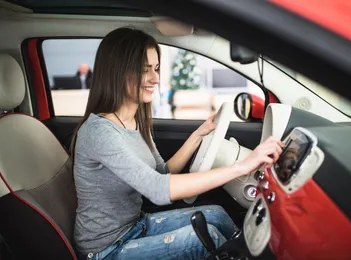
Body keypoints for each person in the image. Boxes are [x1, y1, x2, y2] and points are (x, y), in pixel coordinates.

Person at [71, 27, 283, 260]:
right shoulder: (100, 132)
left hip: (135, 225)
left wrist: (198, 136)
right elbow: (157, 189)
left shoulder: (134, 121)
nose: (155, 78)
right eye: (145, 70)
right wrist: (240, 167)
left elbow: (162, 172)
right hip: (105, 249)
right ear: (118, 72)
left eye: (156, 69)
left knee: (216, 215)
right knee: (202, 241)